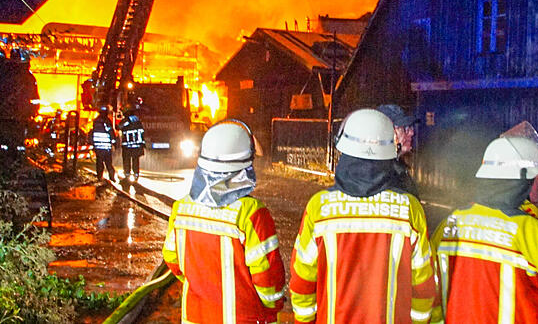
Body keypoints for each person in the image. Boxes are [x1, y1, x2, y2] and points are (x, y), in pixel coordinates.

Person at [430, 121, 538, 324]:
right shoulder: (525, 229)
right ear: (520, 181)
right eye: (534, 178)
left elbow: (431, 287)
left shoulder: (451, 222)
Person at [290, 108, 436, 323]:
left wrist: (305, 320)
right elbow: (423, 283)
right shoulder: (409, 209)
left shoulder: (319, 207)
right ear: (390, 150)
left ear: (343, 149)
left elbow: (302, 277)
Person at [162, 120, 286, 323]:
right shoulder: (251, 213)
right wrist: (274, 305)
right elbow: (268, 280)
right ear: (245, 166)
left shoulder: (181, 209)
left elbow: (172, 259)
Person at [376, 103, 420, 196]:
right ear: (387, 132)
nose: (411, 133)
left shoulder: (397, 170)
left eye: (411, 127)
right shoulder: (382, 175)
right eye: (405, 128)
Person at [117, 101, 145, 178]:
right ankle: (136, 174)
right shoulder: (137, 120)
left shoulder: (126, 120)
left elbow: (119, 127)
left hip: (128, 145)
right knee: (135, 160)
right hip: (137, 145)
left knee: (127, 159)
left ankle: (127, 174)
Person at [88, 105, 116, 181]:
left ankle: (99, 177)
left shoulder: (96, 120)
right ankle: (112, 178)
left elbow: (92, 132)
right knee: (108, 163)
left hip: (98, 146)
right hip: (106, 146)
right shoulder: (106, 120)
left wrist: (92, 143)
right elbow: (110, 131)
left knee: (99, 163)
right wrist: (114, 142)